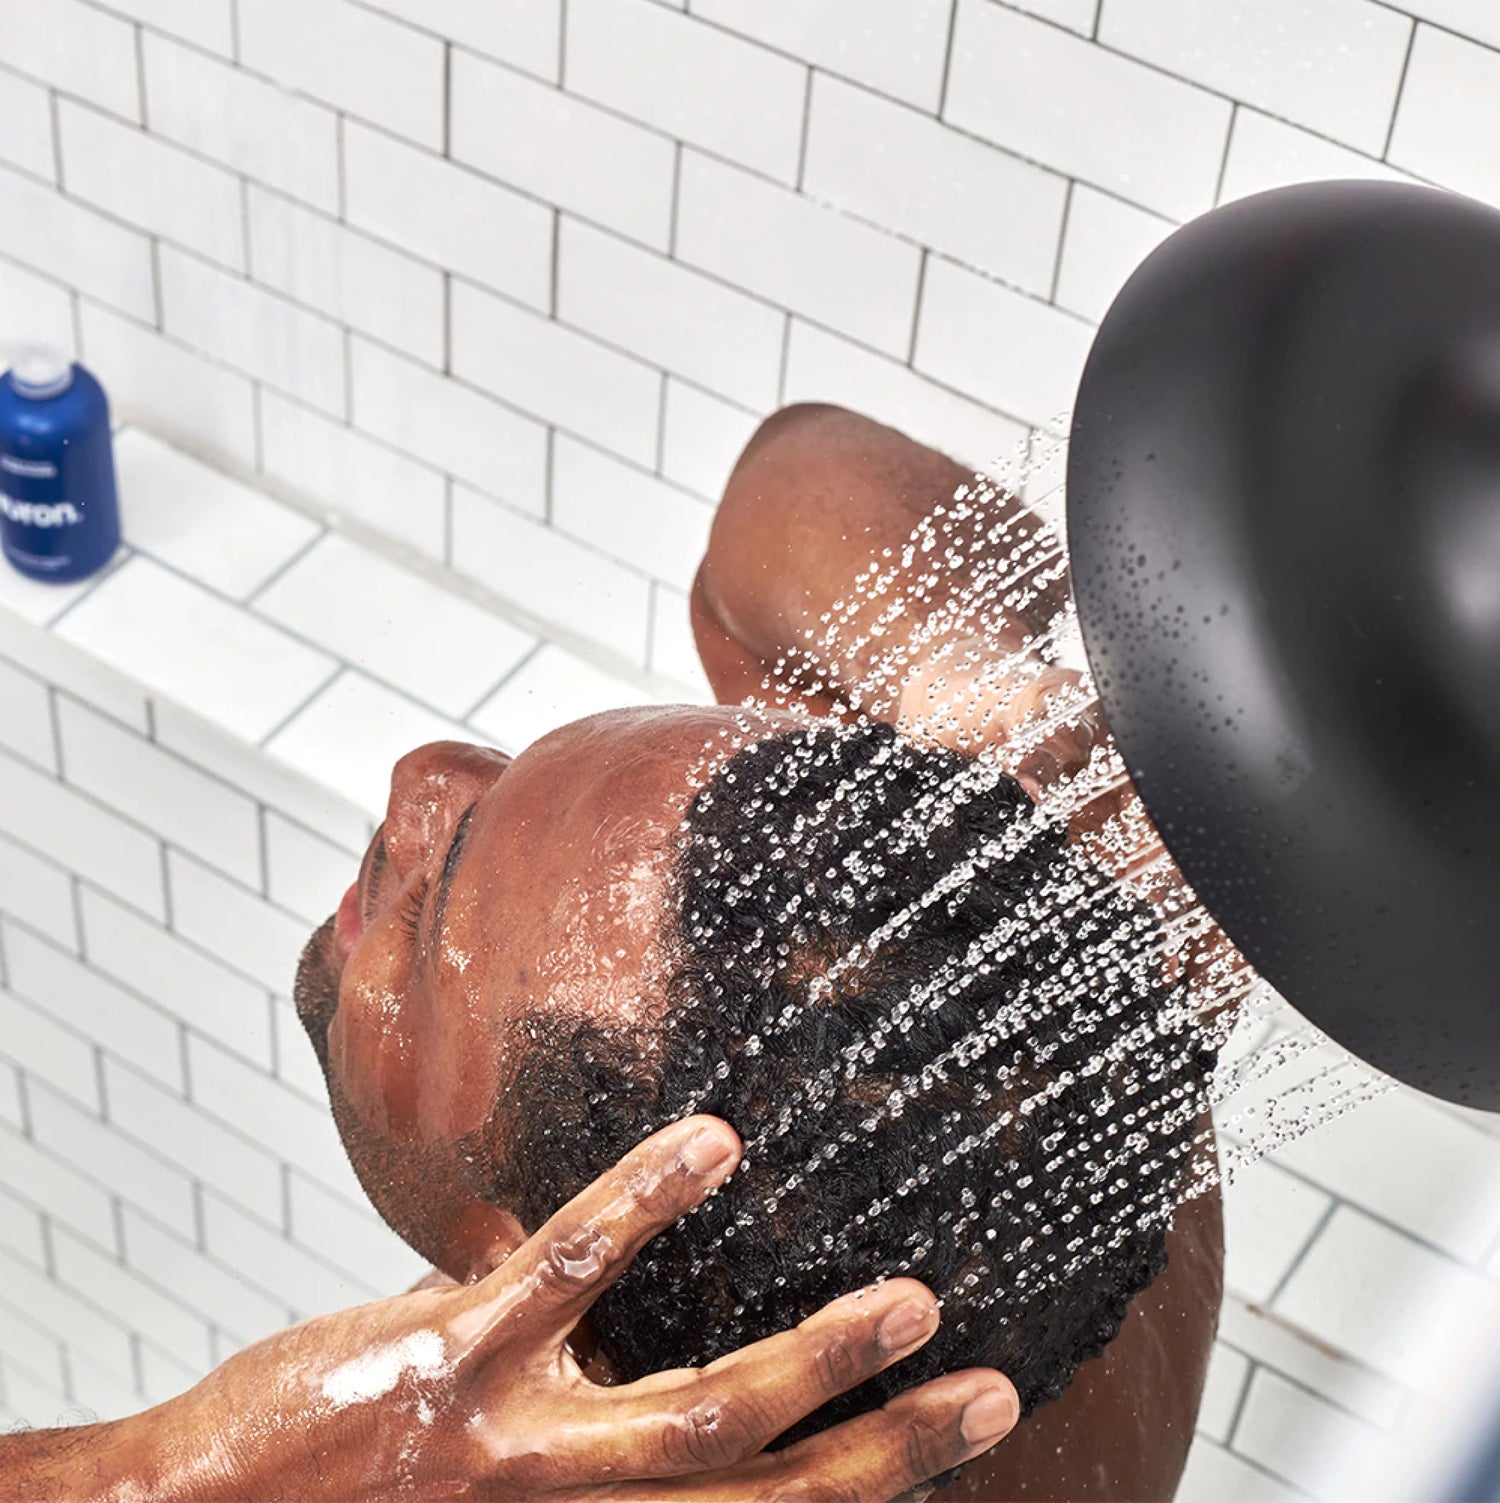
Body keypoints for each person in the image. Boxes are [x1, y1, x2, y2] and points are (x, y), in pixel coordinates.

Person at [285, 403, 1225, 1502]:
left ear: (579, 1324)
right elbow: (788, 487)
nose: (420, 775)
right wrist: (967, 676)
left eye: (429, 916)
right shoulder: (1038, 1097)